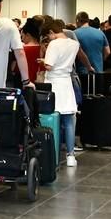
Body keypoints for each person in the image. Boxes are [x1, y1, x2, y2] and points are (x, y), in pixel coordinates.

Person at [41, 20, 80, 167]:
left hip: (53, 83)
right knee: (69, 121)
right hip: (67, 82)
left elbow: (49, 66)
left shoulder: (54, 44)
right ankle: (70, 156)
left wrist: (43, 60)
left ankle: (53, 153)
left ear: (51, 32)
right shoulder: (74, 44)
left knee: (52, 120)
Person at [20, 18, 42, 83]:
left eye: (22, 36)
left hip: (25, 81)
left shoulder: (22, 49)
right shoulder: (43, 48)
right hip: (40, 81)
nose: (22, 39)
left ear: (27, 35)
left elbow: (15, 69)